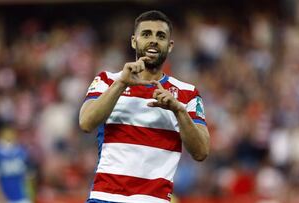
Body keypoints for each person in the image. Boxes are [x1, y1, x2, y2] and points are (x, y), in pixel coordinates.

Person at [79, 10, 210, 203]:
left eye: (161, 36)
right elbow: (86, 123)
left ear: (170, 46)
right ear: (134, 41)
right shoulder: (108, 80)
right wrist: (121, 84)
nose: (154, 40)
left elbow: (201, 152)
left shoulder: (187, 93)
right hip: (106, 197)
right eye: (146, 34)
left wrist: (179, 110)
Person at [0, 127, 34, 203]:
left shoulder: (22, 152)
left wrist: (30, 197)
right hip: (3, 198)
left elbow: (29, 177)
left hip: (21, 198)